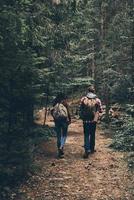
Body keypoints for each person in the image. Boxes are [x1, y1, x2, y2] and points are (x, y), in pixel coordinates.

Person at [80, 86, 102, 158]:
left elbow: (80, 109)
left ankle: (87, 149)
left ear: (88, 91)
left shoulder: (83, 99)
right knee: (92, 134)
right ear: (94, 91)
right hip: (93, 120)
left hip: (85, 120)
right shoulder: (97, 100)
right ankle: (92, 149)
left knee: (86, 134)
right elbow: (100, 110)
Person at [51, 93, 71, 158]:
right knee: (64, 135)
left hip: (57, 121)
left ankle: (59, 151)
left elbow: (52, 112)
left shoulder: (54, 103)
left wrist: (55, 118)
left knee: (58, 135)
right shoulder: (65, 103)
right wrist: (70, 120)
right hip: (64, 121)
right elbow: (68, 112)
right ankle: (61, 147)